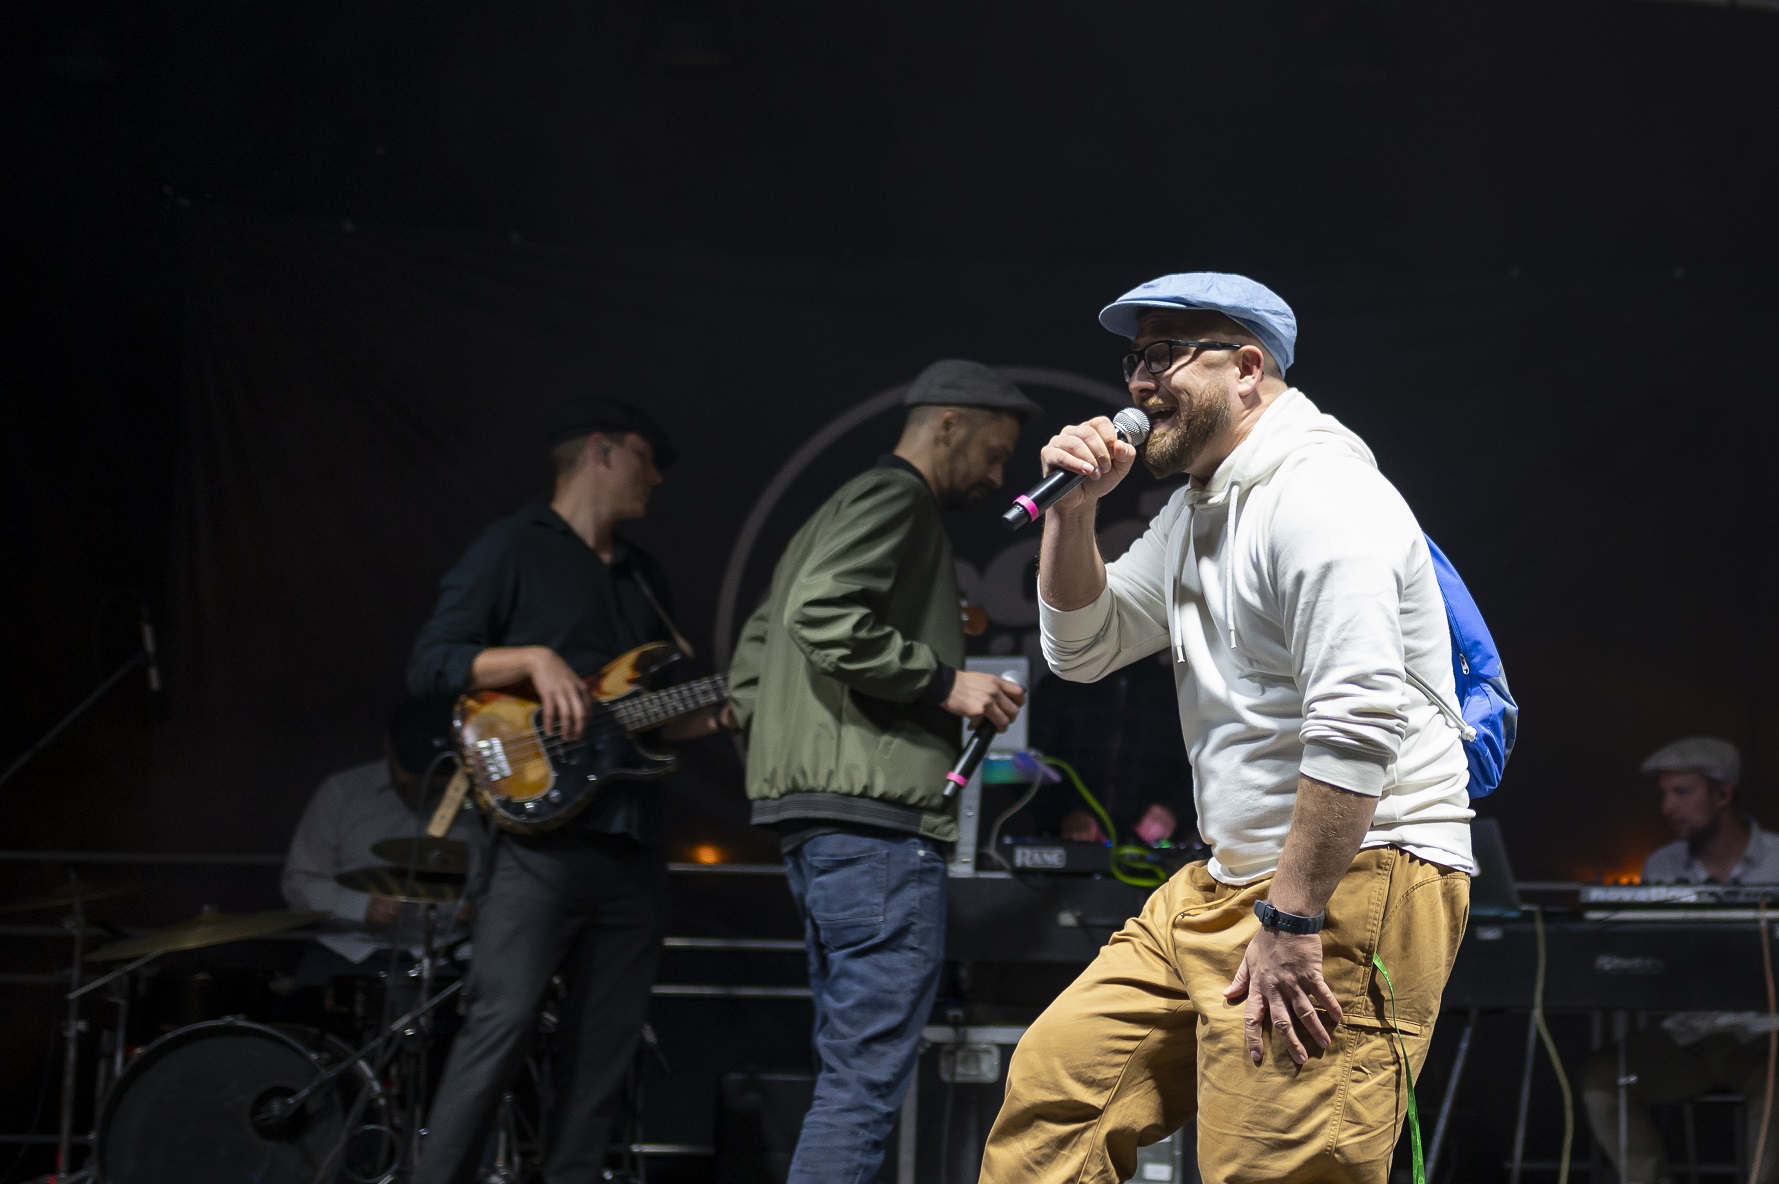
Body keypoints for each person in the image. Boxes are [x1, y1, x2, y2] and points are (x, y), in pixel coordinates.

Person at [978, 273, 1476, 1184]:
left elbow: (1358, 720)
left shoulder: (1320, 493)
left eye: (1166, 356)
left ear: (1247, 369)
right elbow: (1081, 648)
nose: (1139, 382)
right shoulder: (1199, 505)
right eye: (1133, 360)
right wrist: (1074, 512)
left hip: (1346, 880)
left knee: (1276, 1168)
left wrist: (1292, 916)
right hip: (1228, 879)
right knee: (1058, 1097)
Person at [727, 359, 1038, 1184]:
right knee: (863, 1082)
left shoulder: (832, 511)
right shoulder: (897, 500)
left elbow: (753, 660)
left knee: (847, 1072)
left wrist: (800, 745)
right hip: (874, 830)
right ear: (947, 424)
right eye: (994, 453)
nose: (997, 476)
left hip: (816, 822)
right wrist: (943, 682)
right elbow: (819, 613)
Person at [409, 397, 726, 1184]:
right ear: (598, 451)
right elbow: (431, 661)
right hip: (536, 847)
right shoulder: (513, 546)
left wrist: (727, 710)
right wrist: (531, 660)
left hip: (631, 844)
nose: (656, 477)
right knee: (500, 1024)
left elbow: (649, 720)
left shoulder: (643, 576)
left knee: (602, 1056)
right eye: (646, 457)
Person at [1581, 736, 1778, 1184]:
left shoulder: (1777, 860)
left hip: (1766, 1038)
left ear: (1722, 794)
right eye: (1664, 794)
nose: (1668, 807)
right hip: (1689, 1038)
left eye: (1682, 792)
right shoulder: (1662, 866)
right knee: (1604, 1079)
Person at [282, 696, 486, 986]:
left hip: (449, 953)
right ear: (389, 746)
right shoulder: (342, 792)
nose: (426, 782)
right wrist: (360, 907)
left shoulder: (479, 801)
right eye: (415, 772)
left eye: (438, 774)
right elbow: (299, 882)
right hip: (352, 950)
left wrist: (481, 906)